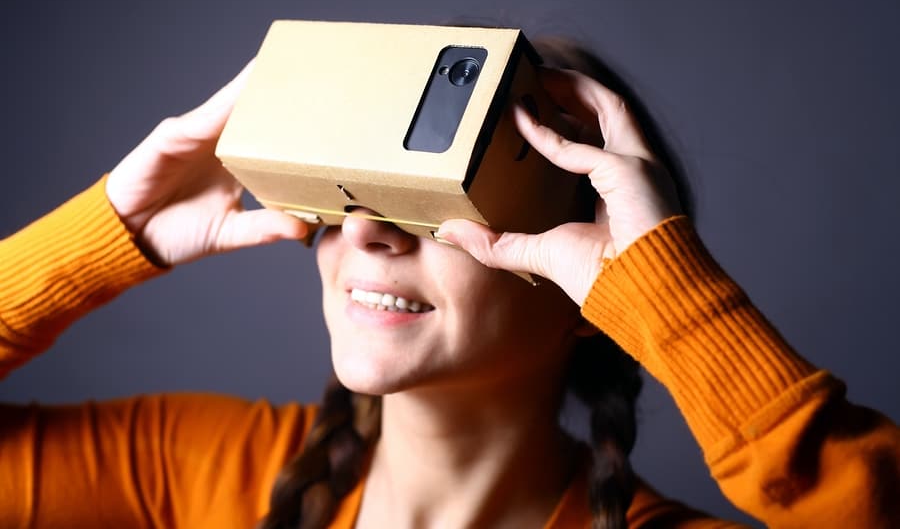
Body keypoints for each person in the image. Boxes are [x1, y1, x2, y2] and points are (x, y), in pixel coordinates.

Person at [0, 36, 897, 529]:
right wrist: (111, 232)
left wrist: (673, 296)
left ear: (600, 278)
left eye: (443, 195)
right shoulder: (200, 474)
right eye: (357, 186)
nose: (366, 230)